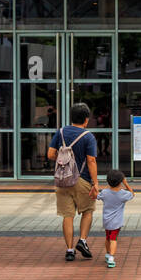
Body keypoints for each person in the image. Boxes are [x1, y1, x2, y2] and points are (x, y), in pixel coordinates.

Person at [47, 102, 100, 261]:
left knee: (67, 216)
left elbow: (50, 154)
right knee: (88, 210)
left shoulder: (60, 132)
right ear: (86, 119)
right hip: (81, 179)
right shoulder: (88, 136)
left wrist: (64, 160)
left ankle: (70, 250)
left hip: (62, 179)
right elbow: (91, 161)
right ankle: (82, 241)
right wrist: (95, 183)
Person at [99, 170, 135, 268]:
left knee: (107, 238)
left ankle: (107, 253)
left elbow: (97, 196)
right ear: (121, 182)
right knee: (113, 239)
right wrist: (126, 184)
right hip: (116, 222)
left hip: (106, 220)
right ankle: (111, 257)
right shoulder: (123, 194)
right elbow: (132, 194)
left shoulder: (105, 192)